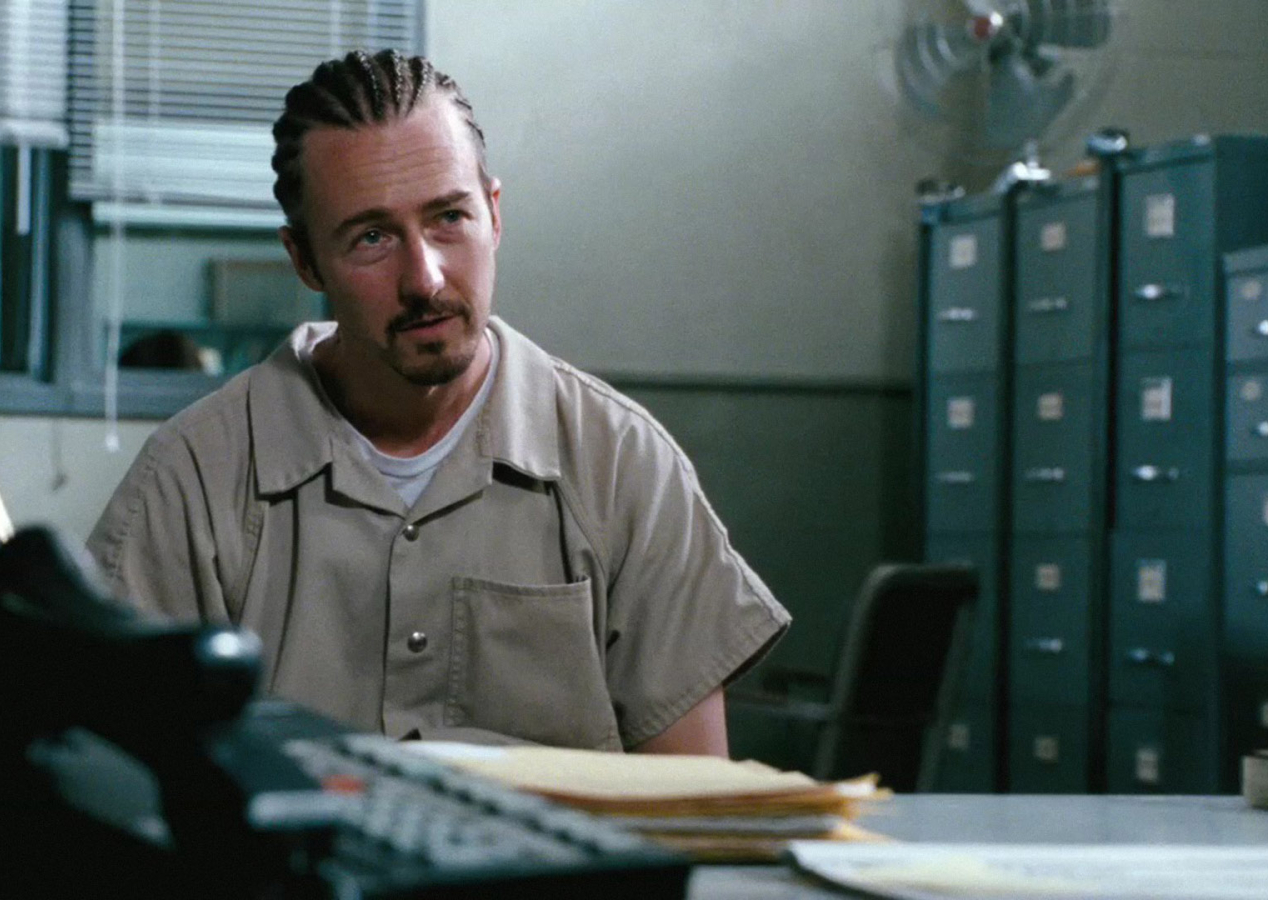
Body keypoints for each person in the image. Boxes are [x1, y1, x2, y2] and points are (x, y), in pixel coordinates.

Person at [87, 50, 789, 754]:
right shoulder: (193, 475)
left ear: (494, 214)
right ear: (304, 261)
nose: (424, 279)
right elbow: (113, 770)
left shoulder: (620, 463)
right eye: (372, 237)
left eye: (449, 217)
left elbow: (693, 797)